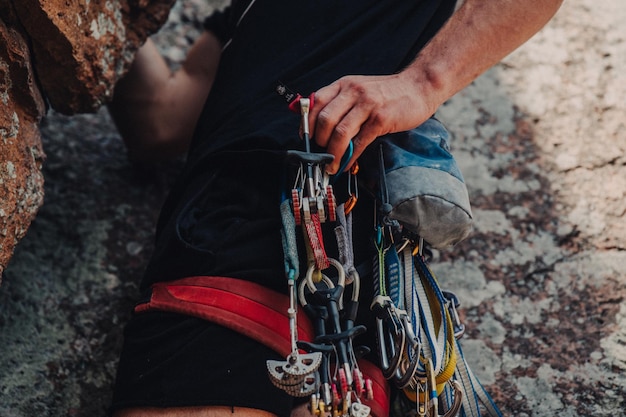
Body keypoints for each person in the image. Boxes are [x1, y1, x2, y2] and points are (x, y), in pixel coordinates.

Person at [107, 1, 563, 417]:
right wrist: (101, 19)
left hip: (312, 232)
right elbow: (161, 121)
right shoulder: (244, 12)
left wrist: (423, 83)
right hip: (238, 241)